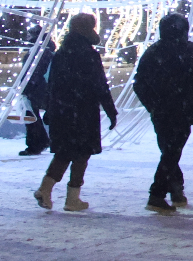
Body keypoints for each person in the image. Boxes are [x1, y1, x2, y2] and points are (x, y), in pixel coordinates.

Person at [35, 13, 119, 212]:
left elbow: (52, 84)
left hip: (62, 110)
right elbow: (100, 85)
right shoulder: (88, 54)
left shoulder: (61, 53)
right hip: (83, 111)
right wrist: (110, 110)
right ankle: (72, 197)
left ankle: (46, 188)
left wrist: (50, 108)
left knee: (65, 152)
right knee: (81, 153)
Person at [133, 12, 193, 213]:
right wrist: (191, 103)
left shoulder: (154, 52)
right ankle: (158, 194)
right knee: (172, 152)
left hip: (164, 110)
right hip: (180, 108)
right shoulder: (191, 52)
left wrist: (153, 103)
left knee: (169, 151)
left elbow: (140, 83)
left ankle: (175, 189)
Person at [19, 27, 55, 156]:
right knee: (36, 116)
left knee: (31, 116)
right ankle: (43, 141)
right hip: (42, 87)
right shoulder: (46, 51)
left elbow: (33, 72)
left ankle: (37, 143)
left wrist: (26, 87)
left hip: (36, 88)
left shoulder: (38, 52)